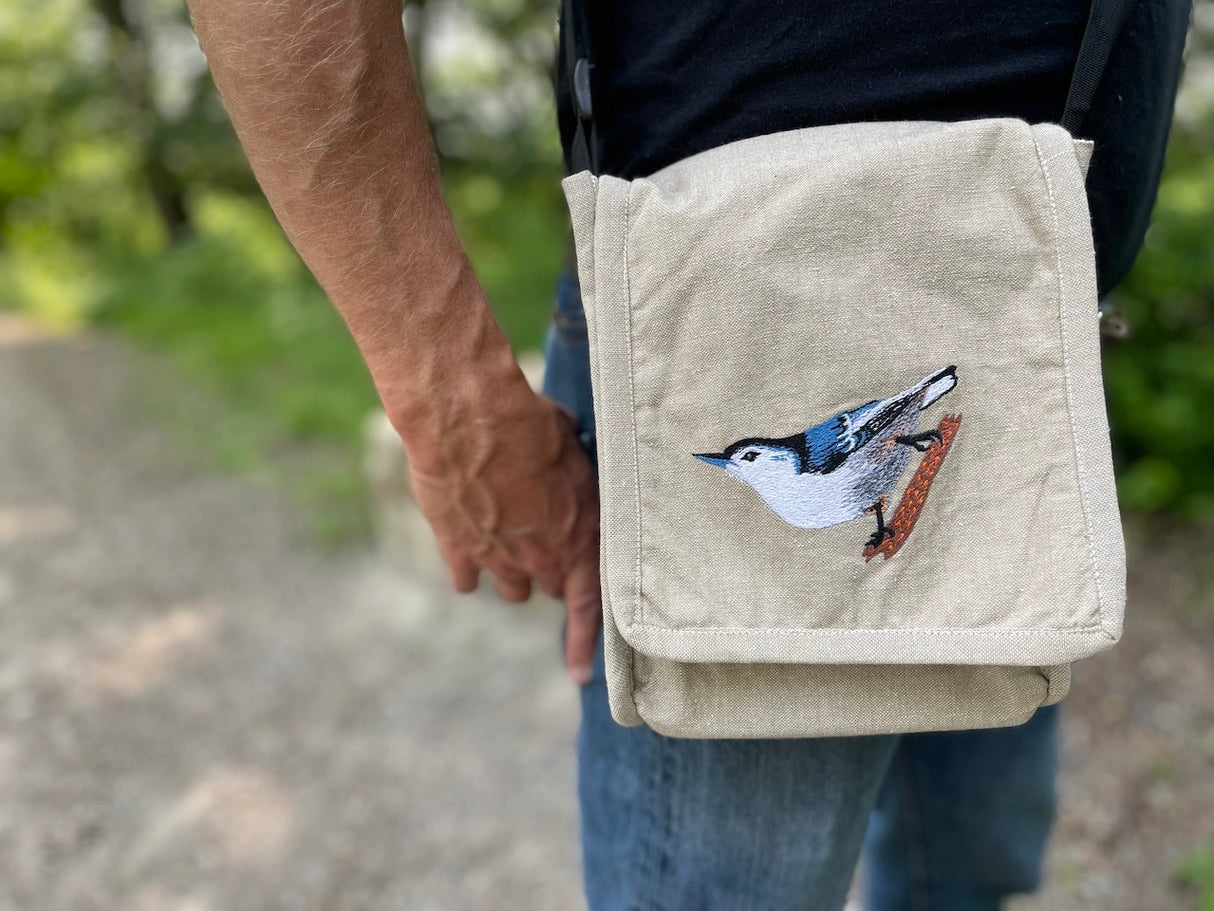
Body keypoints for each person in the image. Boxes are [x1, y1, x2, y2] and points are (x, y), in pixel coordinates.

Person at [187, 0, 1190, 907]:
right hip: (712, 324)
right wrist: (443, 387)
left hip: (1018, 316)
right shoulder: (773, 462)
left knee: (971, 864)